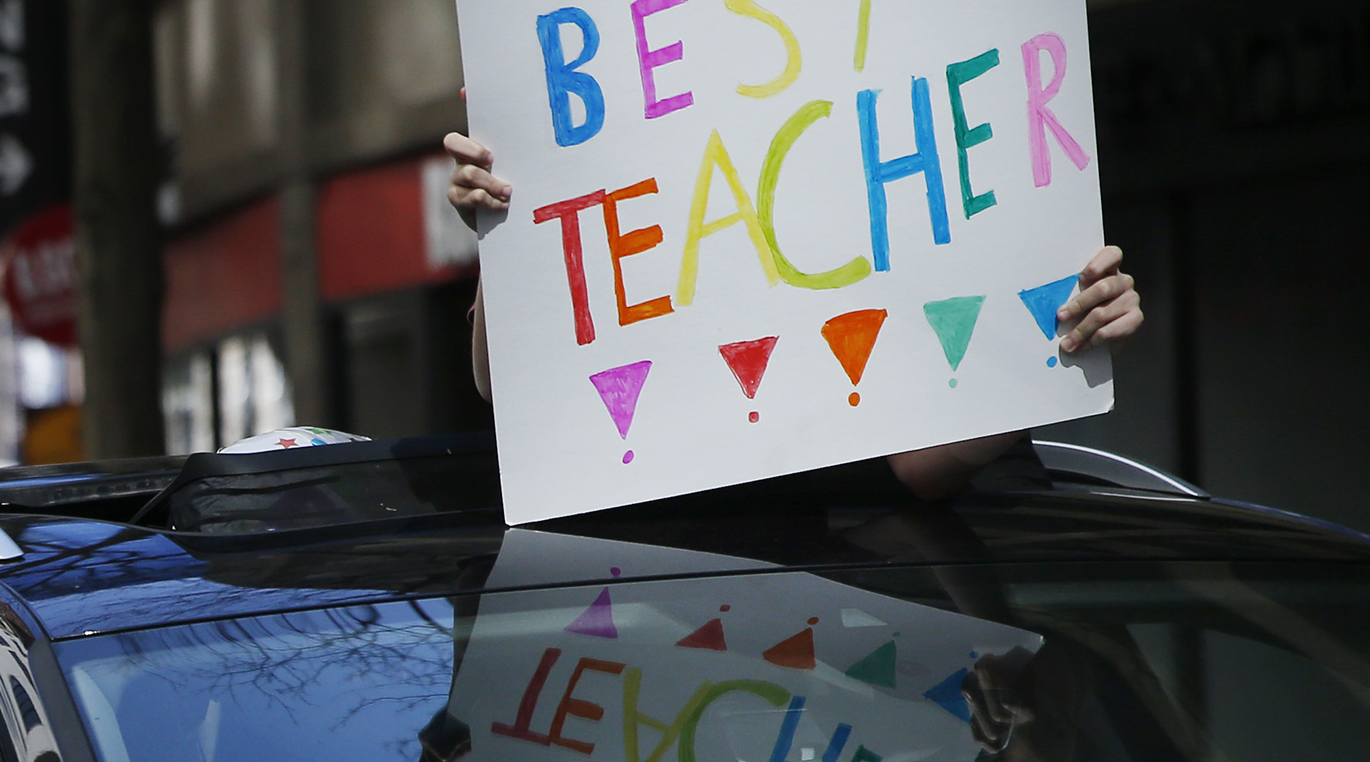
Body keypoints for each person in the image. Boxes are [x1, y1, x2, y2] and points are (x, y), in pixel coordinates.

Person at [440, 130, 1147, 502]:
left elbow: (917, 472)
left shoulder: (883, 261)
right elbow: (502, 383)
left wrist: (1053, 346)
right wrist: (507, 234)